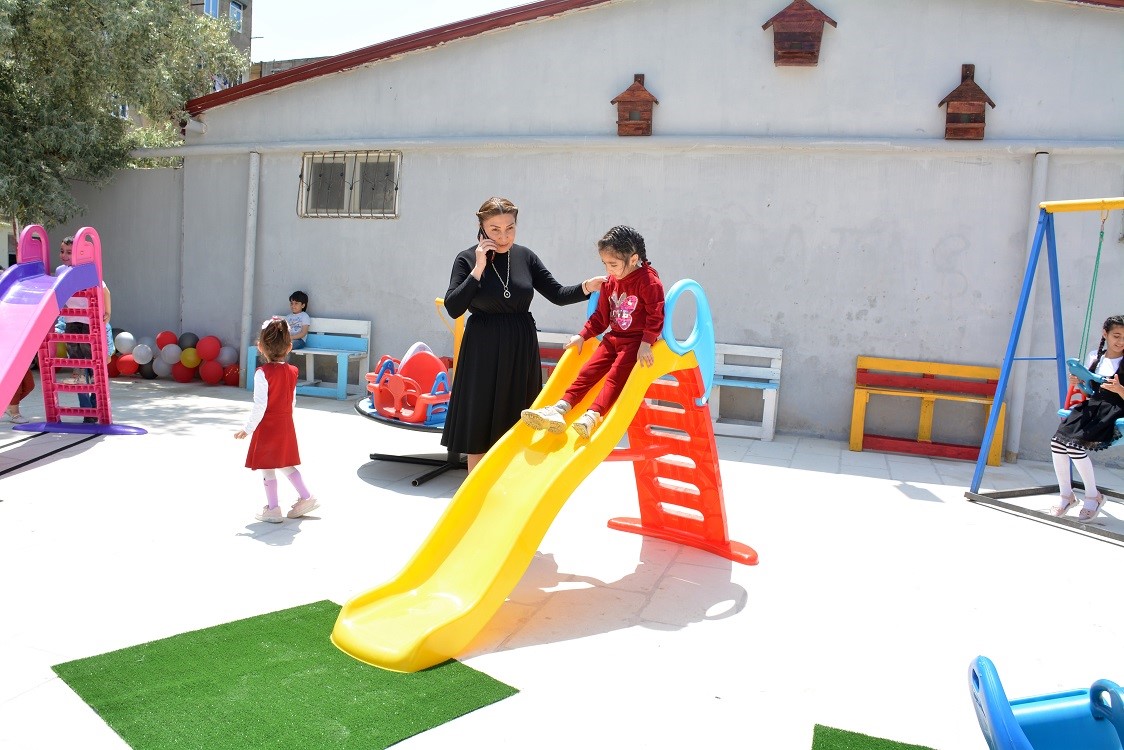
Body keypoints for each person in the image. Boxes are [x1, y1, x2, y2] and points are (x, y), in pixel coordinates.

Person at [440, 197, 605, 472]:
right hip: (482, 348)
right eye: (495, 229)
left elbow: (557, 294)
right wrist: (478, 268)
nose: (504, 237)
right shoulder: (467, 259)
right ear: (481, 228)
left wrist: (587, 286)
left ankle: (510, 483)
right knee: (479, 421)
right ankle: (476, 487)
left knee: (518, 417)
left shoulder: (526, 256)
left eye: (510, 228)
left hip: (520, 346)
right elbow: (454, 307)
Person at [521, 226, 664, 438]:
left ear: (633, 259)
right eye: (605, 264)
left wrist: (646, 343)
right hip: (613, 338)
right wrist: (583, 335)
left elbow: (656, 314)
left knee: (615, 377)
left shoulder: (648, 281)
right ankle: (560, 408)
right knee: (587, 372)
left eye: (613, 264)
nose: (608, 270)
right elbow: (601, 317)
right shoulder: (610, 282)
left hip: (635, 342)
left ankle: (592, 416)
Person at [235, 317, 320, 523]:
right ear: (289, 346)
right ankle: (306, 496)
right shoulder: (292, 371)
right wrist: (286, 418)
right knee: (285, 463)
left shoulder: (262, 373)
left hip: (268, 426)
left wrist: (248, 428)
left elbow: (260, 406)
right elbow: (292, 401)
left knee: (268, 467)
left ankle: (273, 508)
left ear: (260, 347)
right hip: (285, 423)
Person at [1048, 314, 1124, 522]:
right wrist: (1079, 383)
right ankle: (1066, 496)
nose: (1120, 342)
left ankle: (1093, 497)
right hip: (1092, 406)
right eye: (1116, 336)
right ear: (1105, 334)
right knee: (1057, 443)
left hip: (1115, 410)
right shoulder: (1095, 357)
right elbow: (1090, 393)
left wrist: (1119, 389)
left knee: (1074, 446)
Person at [55, 235, 113, 423]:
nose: (64, 255)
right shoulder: (60, 271)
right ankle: (87, 411)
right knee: (77, 366)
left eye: (69, 252)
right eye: (62, 251)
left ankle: (96, 404)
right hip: (72, 321)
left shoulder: (88, 271)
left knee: (93, 364)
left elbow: (104, 290)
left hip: (90, 322)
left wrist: (108, 312)